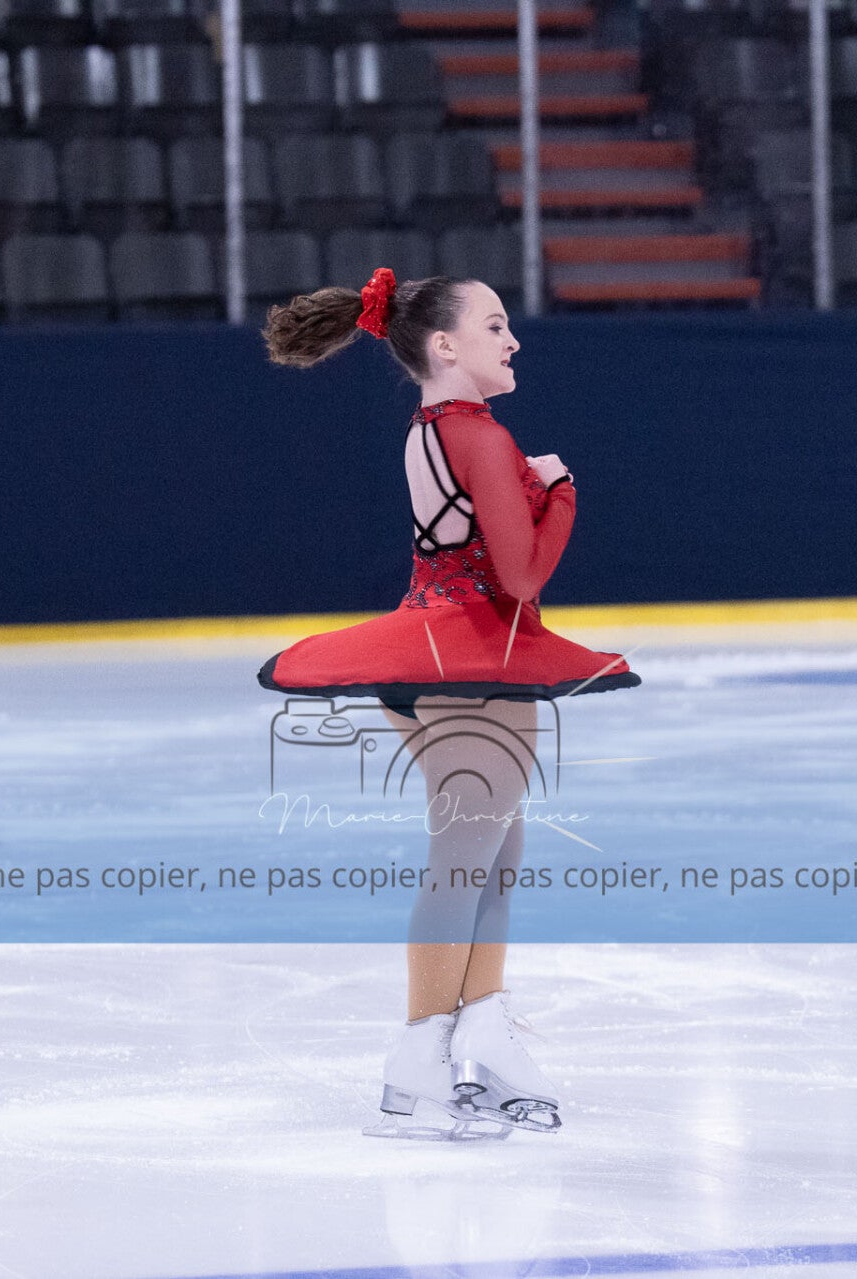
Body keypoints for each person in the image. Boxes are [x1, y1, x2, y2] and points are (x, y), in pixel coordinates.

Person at [255, 267, 640, 1139]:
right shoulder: (478, 435)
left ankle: (482, 1032)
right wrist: (561, 493)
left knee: (493, 851)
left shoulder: (426, 431)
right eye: (494, 325)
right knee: (466, 859)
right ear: (443, 345)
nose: (512, 340)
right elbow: (523, 576)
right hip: (475, 660)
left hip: (426, 651)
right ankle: (417, 1064)